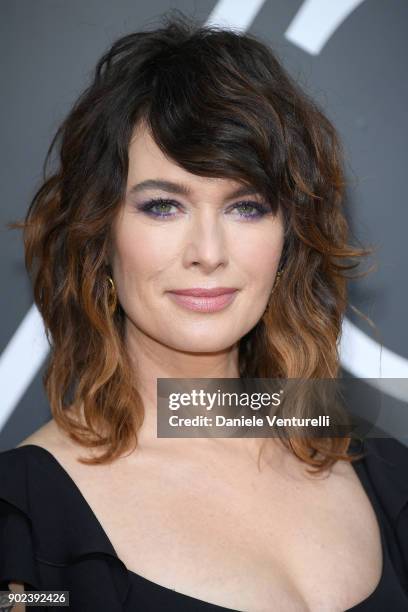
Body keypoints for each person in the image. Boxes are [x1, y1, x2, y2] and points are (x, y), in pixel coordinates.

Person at [1, 11, 407, 612]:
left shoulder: (385, 470)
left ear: (287, 236)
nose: (209, 254)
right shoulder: (22, 525)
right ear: (100, 234)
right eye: (164, 206)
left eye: (247, 207)